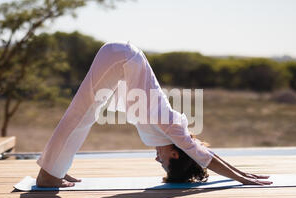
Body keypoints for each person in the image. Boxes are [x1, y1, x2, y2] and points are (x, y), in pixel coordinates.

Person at [36, 41, 272, 188]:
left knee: (87, 112)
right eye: (164, 163)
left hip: (123, 59)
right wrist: (241, 177)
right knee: (83, 112)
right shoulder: (172, 128)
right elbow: (204, 157)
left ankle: (56, 167)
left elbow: (202, 152)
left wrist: (241, 173)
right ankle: (49, 174)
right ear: (175, 155)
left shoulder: (170, 134)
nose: (157, 160)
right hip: (122, 58)